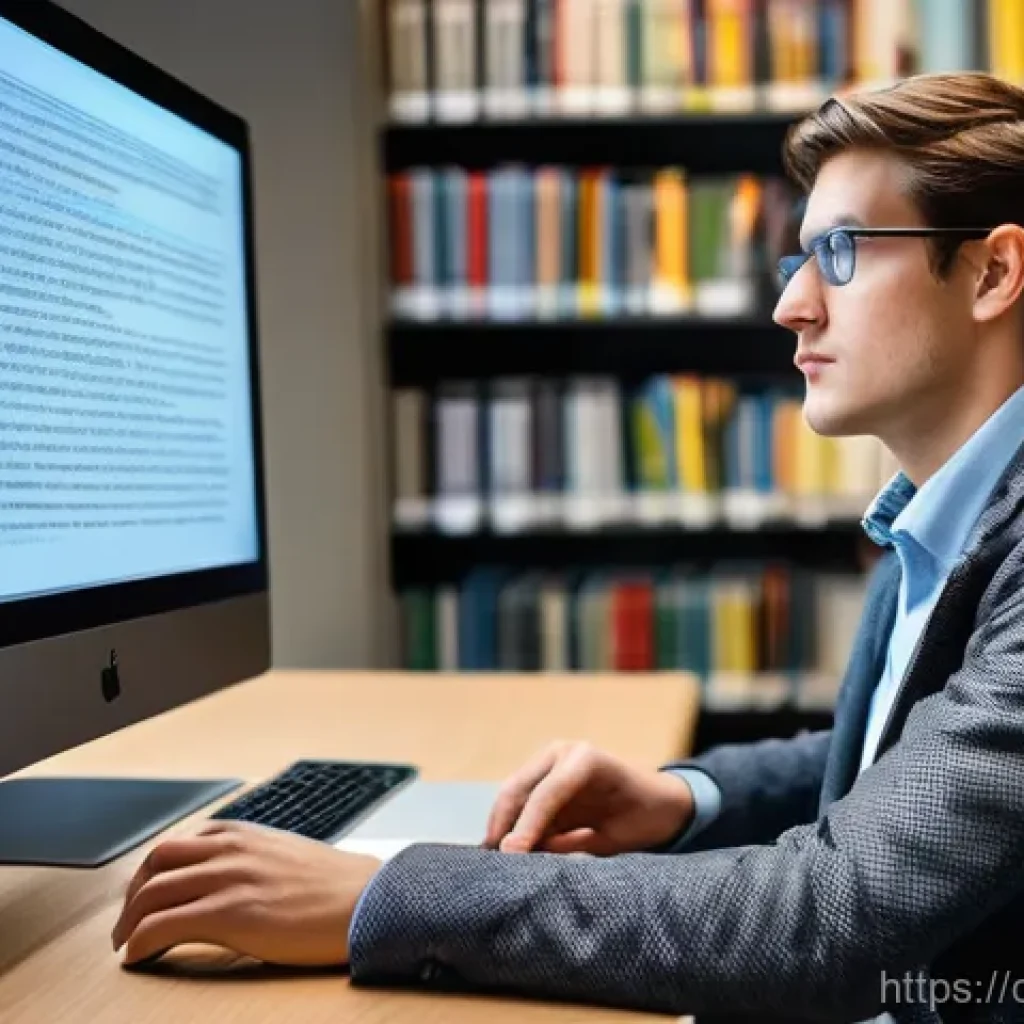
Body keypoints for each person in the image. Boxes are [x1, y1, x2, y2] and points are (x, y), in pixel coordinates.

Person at [111, 71, 1024, 1022]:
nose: (792, 304)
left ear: (993, 273)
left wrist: (380, 897)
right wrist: (687, 797)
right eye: (798, 260)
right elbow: (911, 750)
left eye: (838, 252)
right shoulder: (939, 507)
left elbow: (821, 922)